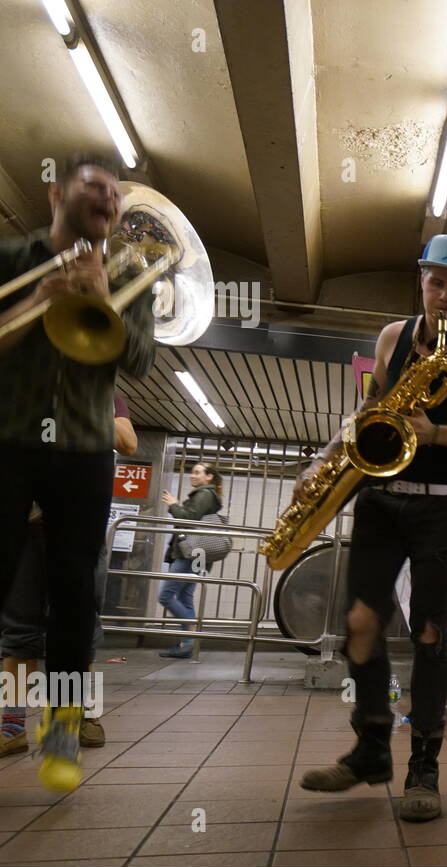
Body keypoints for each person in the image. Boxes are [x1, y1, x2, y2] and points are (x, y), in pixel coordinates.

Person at [297, 234, 447, 823]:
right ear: (420, 280)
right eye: (436, 282)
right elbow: (368, 411)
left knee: (429, 634)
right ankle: (369, 749)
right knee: (361, 623)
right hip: (379, 497)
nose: (445, 296)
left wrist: (436, 432)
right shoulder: (392, 337)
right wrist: (322, 460)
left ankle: (424, 765)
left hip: (441, 505)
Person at [0, 154, 155, 792]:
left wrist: (99, 298)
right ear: (56, 192)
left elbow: (141, 362)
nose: (109, 203)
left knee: (74, 599)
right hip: (8, 440)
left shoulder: (129, 269)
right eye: (95, 189)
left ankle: (61, 727)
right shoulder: (14, 257)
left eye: (116, 197)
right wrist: (40, 299)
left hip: (86, 452)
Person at [0, 392, 135, 756]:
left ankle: (82, 715)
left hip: (78, 530)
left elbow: (128, 441)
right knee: (18, 634)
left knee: (78, 626)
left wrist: (77, 402)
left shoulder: (104, 396)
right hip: (26, 527)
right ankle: (12, 727)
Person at [156, 462, 224, 658]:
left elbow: (190, 519)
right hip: (200, 554)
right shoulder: (210, 495)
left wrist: (173, 505)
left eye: (197, 472)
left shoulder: (204, 494)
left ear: (209, 477)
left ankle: (192, 632)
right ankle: (187, 645)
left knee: (166, 596)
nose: (192, 475)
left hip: (189, 552)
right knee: (185, 596)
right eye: (192, 472)